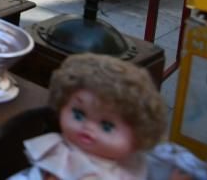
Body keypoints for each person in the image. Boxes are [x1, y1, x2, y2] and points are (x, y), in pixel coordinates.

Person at [9, 54, 167, 179]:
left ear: (138, 135)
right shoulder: (62, 151)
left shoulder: (119, 174)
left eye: (107, 126)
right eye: (78, 114)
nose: (88, 127)